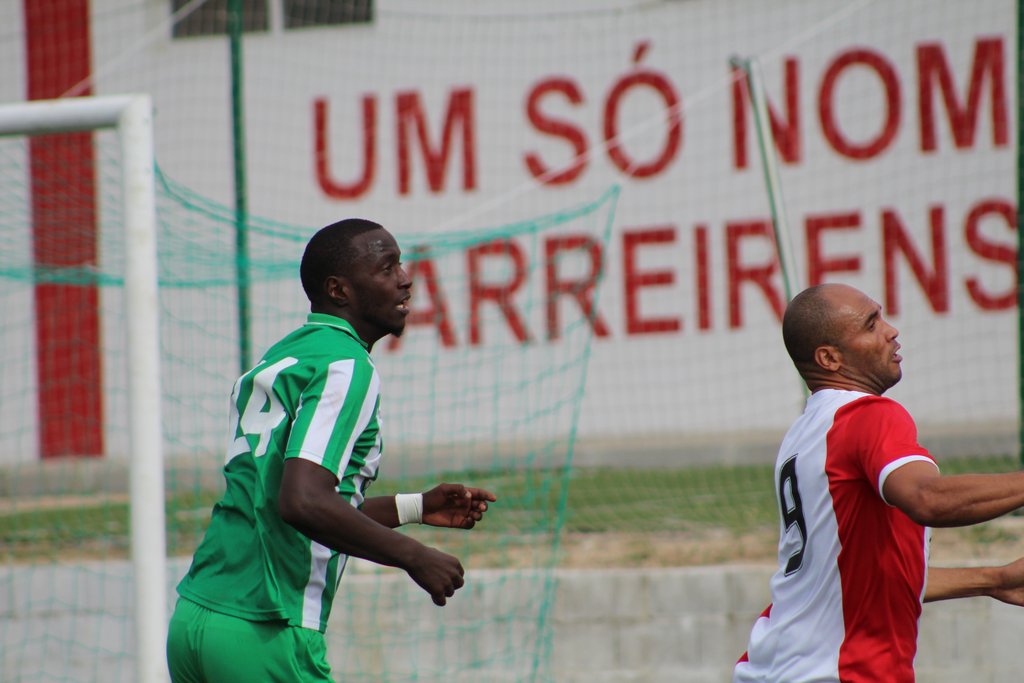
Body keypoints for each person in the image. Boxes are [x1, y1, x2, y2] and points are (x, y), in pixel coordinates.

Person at [166, 218, 497, 682]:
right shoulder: (346, 366)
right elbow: (303, 502)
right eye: (386, 268)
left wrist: (416, 507)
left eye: (400, 264)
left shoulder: (287, 355)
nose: (405, 279)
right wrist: (413, 556)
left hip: (196, 620)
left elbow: (296, 505)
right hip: (266, 628)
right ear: (339, 290)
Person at [733, 282, 1024, 683]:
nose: (891, 331)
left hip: (774, 669)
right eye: (871, 325)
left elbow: (848, 580)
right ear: (830, 358)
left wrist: (994, 580)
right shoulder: (868, 415)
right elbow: (928, 499)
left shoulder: (804, 433)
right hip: (838, 673)